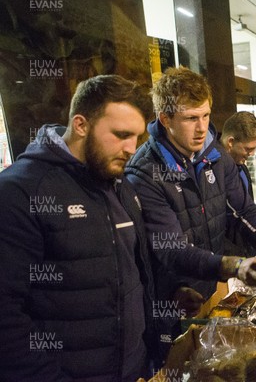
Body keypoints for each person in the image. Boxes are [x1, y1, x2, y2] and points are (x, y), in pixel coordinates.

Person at [0, 75, 153, 380]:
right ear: (81, 125)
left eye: (137, 138)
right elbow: (6, 315)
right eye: (121, 134)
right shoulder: (21, 191)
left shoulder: (118, 183)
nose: (131, 149)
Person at [124, 68, 256, 352]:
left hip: (211, 290)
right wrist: (234, 266)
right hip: (173, 304)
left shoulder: (215, 155)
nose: (202, 128)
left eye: (206, 116)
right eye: (190, 118)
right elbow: (171, 249)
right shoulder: (145, 173)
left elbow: (243, 209)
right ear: (165, 119)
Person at [220, 111, 256, 257]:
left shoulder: (242, 168)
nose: (252, 154)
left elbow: (247, 208)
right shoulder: (212, 170)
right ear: (230, 142)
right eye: (248, 148)